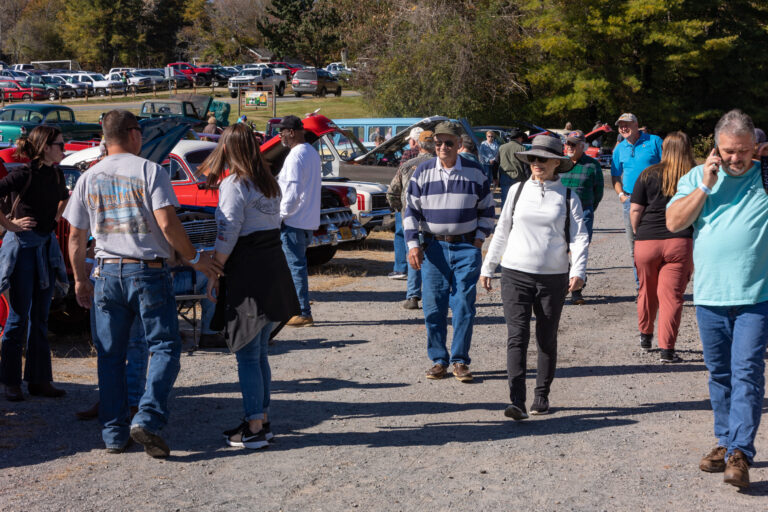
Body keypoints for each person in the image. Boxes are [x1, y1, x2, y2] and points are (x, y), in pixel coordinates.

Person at [64, 110, 221, 457]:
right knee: (164, 346)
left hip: (105, 272)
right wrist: (195, 258)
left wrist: (79, 279)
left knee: (110, 356)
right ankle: (147, 417)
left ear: (106, 137)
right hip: (147, 270)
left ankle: (113, 434)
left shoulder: (88, 178)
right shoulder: (150, 171)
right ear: (134, 134)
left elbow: (75, 237)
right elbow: (168, 224)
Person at [666, 109, 768, 489]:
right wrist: (706, 185)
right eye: (728, 152)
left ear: (755, 147)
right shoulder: (697, 176)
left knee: (746, 373)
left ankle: (740, 452)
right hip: (709, 296)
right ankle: (725, 441)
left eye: (743, 151)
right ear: (715, 148)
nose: (736, 159)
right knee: (720, 374)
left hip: (756, 295)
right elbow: (675, 222)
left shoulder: (764, 175)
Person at [201, 124, 300, 449]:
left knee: (246, 353)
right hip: (272, 267)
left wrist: (214, 270)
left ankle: (254, 425)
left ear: (228, 149)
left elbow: (228, 233)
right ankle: (262, 419)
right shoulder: (267, 182)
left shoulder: (235, 184)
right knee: (258, 353)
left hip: (249, 272)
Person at [480, 135, 588, 420]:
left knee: (546, 337)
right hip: (515, 273)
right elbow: (502, 230)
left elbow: (579, 237)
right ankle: (517, 401)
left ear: (556, 163)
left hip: (553, 277)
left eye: (542, 159)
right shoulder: (516, 191)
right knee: (517, 336)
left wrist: (579, 270)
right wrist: (488, 266)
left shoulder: (567, 196)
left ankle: (541, 396)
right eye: (532, 159)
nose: (536, 164)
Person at [404, 121, 494, 383]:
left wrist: (478, 241)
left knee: (464, 305)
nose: (442, 147)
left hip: (467, 247)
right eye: (438, 142)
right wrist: (413, 244)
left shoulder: (476, 172)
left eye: (448, 143)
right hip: (433, 248)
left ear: (459, 145)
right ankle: (438, 360)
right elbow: (410, 211)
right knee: (433, 306)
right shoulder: (422, 172)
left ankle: (460, 361)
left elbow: (487, 211)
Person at [0, 126, 69, 402]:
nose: (64, 150)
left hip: (44, 247)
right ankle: (10, 382)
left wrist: (54, 219)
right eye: (60, 145)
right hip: (23, 249)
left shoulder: (56, 173)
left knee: (40, 318)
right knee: (18, 318)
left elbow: (64, 198)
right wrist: (9, 225)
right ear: (45, 147)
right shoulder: (23, 173)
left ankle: (39, 381)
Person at [630, 132, 694, 363]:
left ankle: (645, 336)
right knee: (672, 297)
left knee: (646, 290)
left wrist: (638, 234)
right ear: (688, 149)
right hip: (680, 240)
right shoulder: (694, 175)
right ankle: (667, 350)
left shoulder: (647, 174)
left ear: (664, 149)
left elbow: (635, 209)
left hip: (647, 239)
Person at [277, 115, 321, 327]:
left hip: (294, 219)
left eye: (282, 132)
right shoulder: (311, 152)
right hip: (307, 219)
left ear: (291, 132)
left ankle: (302, 311)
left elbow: (292, 191)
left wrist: (280, 216)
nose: (280, 137)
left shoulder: (295, 156)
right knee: (297, 266)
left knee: (295, 267)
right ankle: (296, 309)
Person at [611, 113, 662, 288]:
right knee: (635, 245)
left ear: (636, 124)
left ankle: (660, 284)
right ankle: (641, 285)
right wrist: (621, 196)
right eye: (621, 126)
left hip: (656, 199)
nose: (624, 128)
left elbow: (669, 165)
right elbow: (615, 176)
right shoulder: (619, 148)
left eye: (627, 124)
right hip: (630, 200)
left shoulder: (654, 141)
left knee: (658, 242)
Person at [386, 130, 434, 309]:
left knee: (413, 254)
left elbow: (392, 192)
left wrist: (401, 209)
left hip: (410, 217)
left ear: (419, 145)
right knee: (436, 256)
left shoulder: (407, 166)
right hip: (435, 219)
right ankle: (433, 293)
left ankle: (413, 296)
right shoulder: (441, 165)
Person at [560, 130, 604, 304]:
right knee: (562, 252)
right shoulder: (559, 163)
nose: (569, 147)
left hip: (584, 213)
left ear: (582, 146)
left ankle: (577, 291)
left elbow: (598, 192)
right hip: (561, 214)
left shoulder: (592, 165)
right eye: (567, 143)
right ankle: (564, 286)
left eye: (573, 144)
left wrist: (588, 209)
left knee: (579, 252)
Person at [388, 130, 424, 282]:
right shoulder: (434, 157)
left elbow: (400, 176)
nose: (409, 143)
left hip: (406, 201)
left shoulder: (408, 154)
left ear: (414, 141)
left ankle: (401, 268)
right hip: (424, 204)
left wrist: (395, 204)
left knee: (402, 234)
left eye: (410, 140)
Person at [497, 128, 528, 206]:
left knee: (505, 199)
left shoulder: (502, 147)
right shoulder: (522, 149)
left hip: (504, 176)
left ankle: (504, 216)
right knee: (517, 200)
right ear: (520, 138)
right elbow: (526, 167)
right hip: (518, 177)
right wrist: (528, 179)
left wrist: (495, 177)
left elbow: (495, 163)